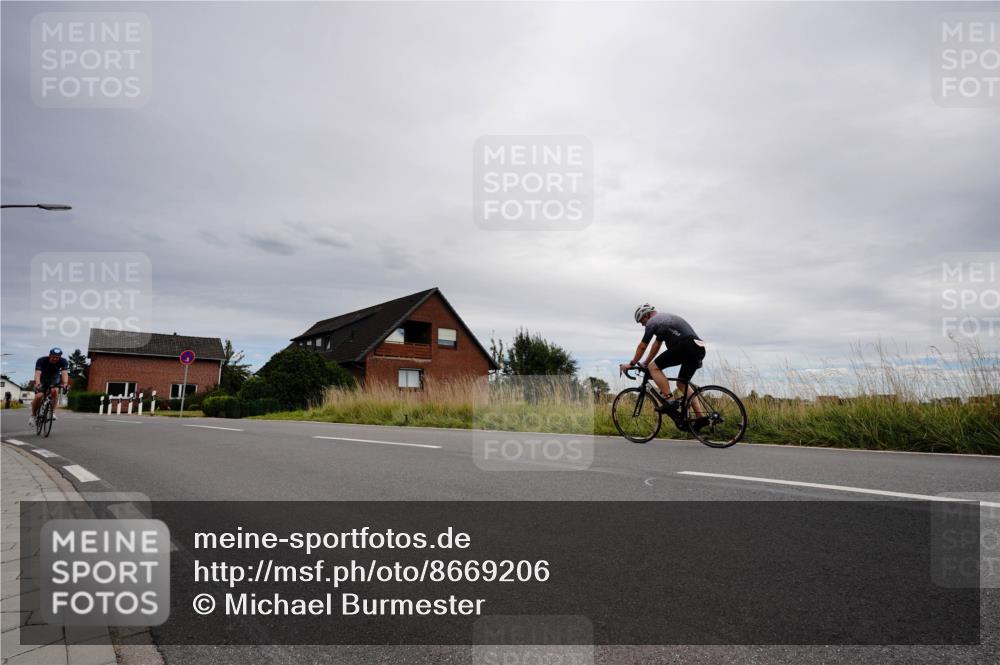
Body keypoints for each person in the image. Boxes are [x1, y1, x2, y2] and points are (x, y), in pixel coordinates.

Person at [620, 304, 709, 432]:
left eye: (641, 321)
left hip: (684, 346)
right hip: (698, 348)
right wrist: (645, 363)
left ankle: (670, 401)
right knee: (682, 384)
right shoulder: (664, 321)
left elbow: (642, 346)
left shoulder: (653, 322)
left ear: (646, 315)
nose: (642, 325)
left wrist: (632, 363)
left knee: (654, 368)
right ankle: (700, 417)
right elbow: (656, 345)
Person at [29, 347, 69, 427]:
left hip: (54, 377)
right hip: (43, 377)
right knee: (38, 396)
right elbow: (38, 373)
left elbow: (64, 373)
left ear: (60, 357)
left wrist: (65, 383)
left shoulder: (63, 361)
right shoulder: (41, 360)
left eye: (57, 358)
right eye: (53, 357)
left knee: (55, 391)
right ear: (49, 355)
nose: (55, 359)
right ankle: (33, 416)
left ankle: (52, 412)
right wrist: (37, 383)